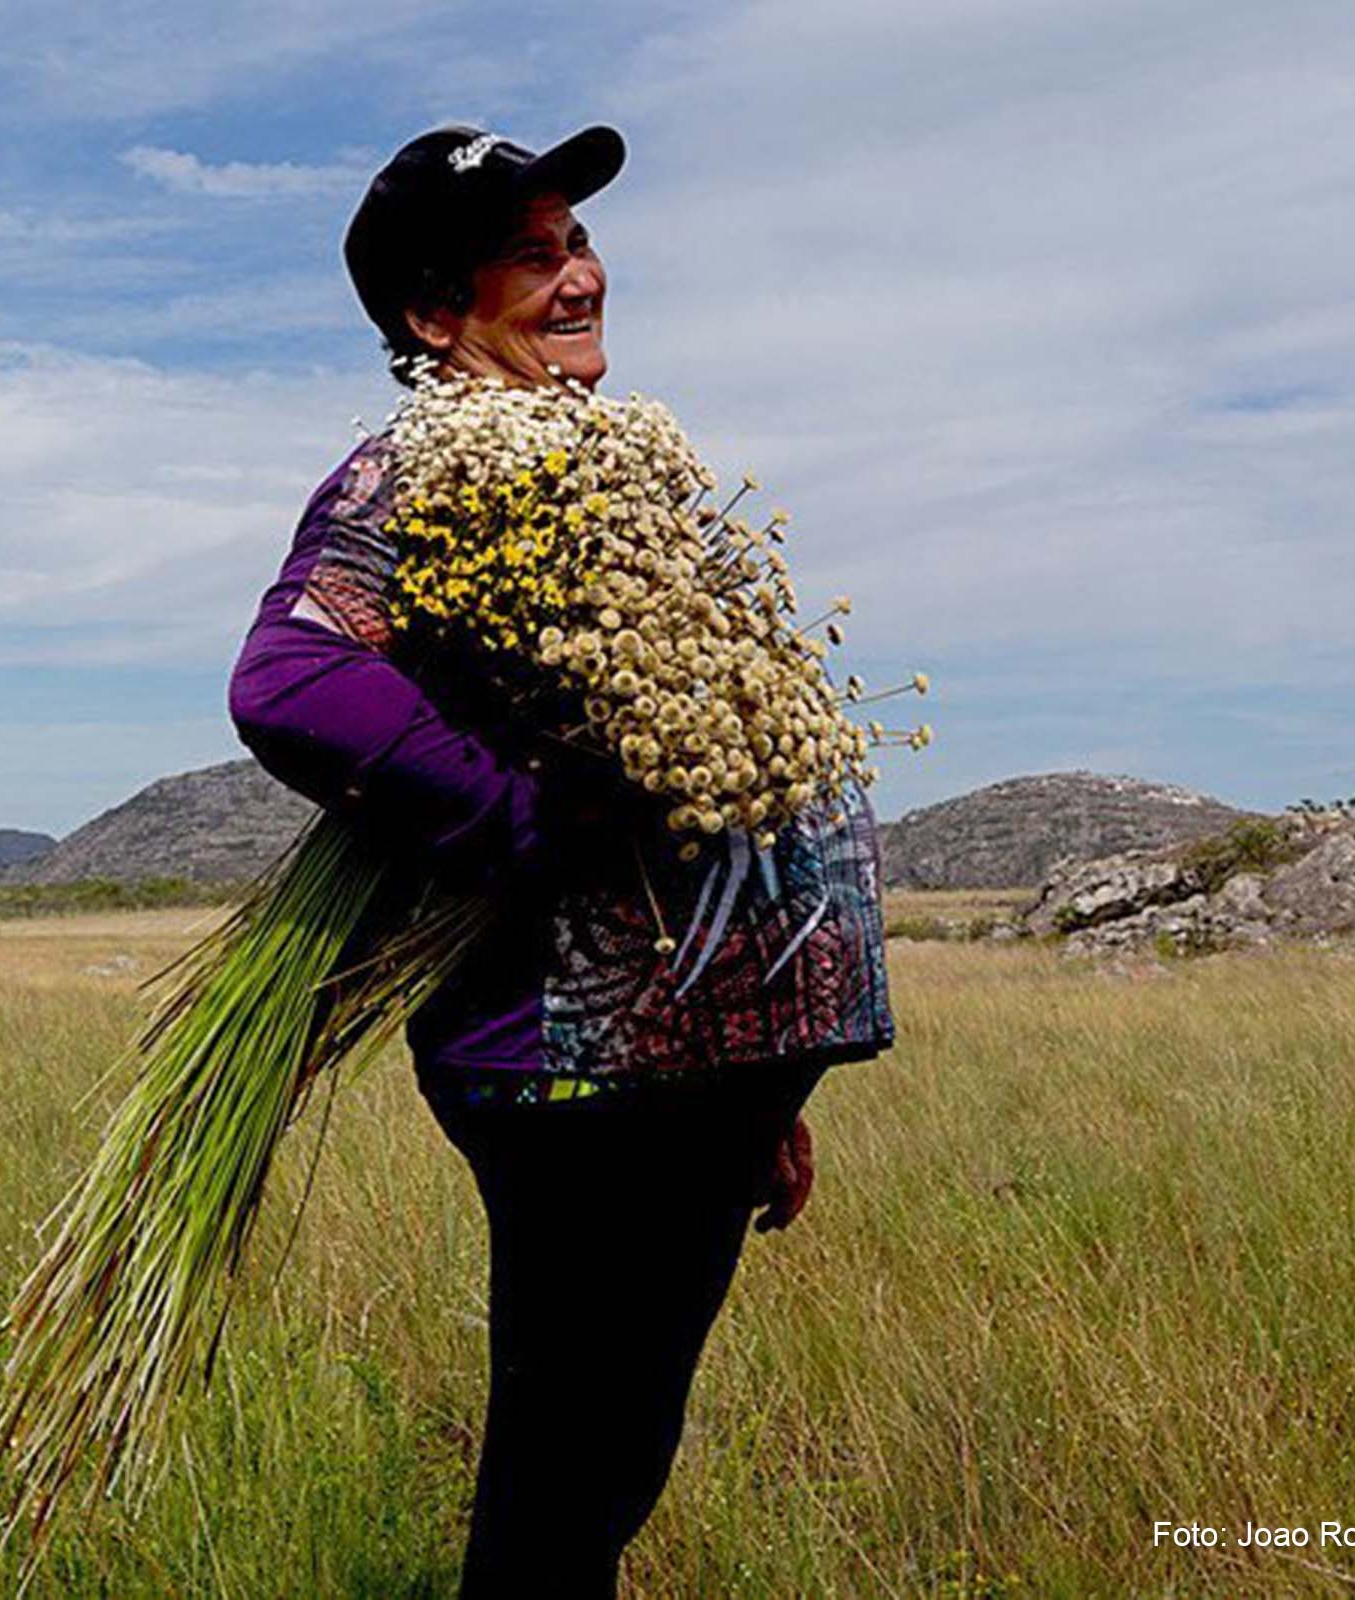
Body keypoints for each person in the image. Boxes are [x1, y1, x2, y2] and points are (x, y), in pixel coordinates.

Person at [228, 124, 895, 1598]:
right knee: (568, 1480)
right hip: (575, 1067)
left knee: (610, 1460)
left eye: (577, 241)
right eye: (533, 255)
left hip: (684, 1079)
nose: (581, 272)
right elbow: (290, 677)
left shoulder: (576, 458)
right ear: (432, 316)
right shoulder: (424, 469)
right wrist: (525, 820)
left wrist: (763, 1091)